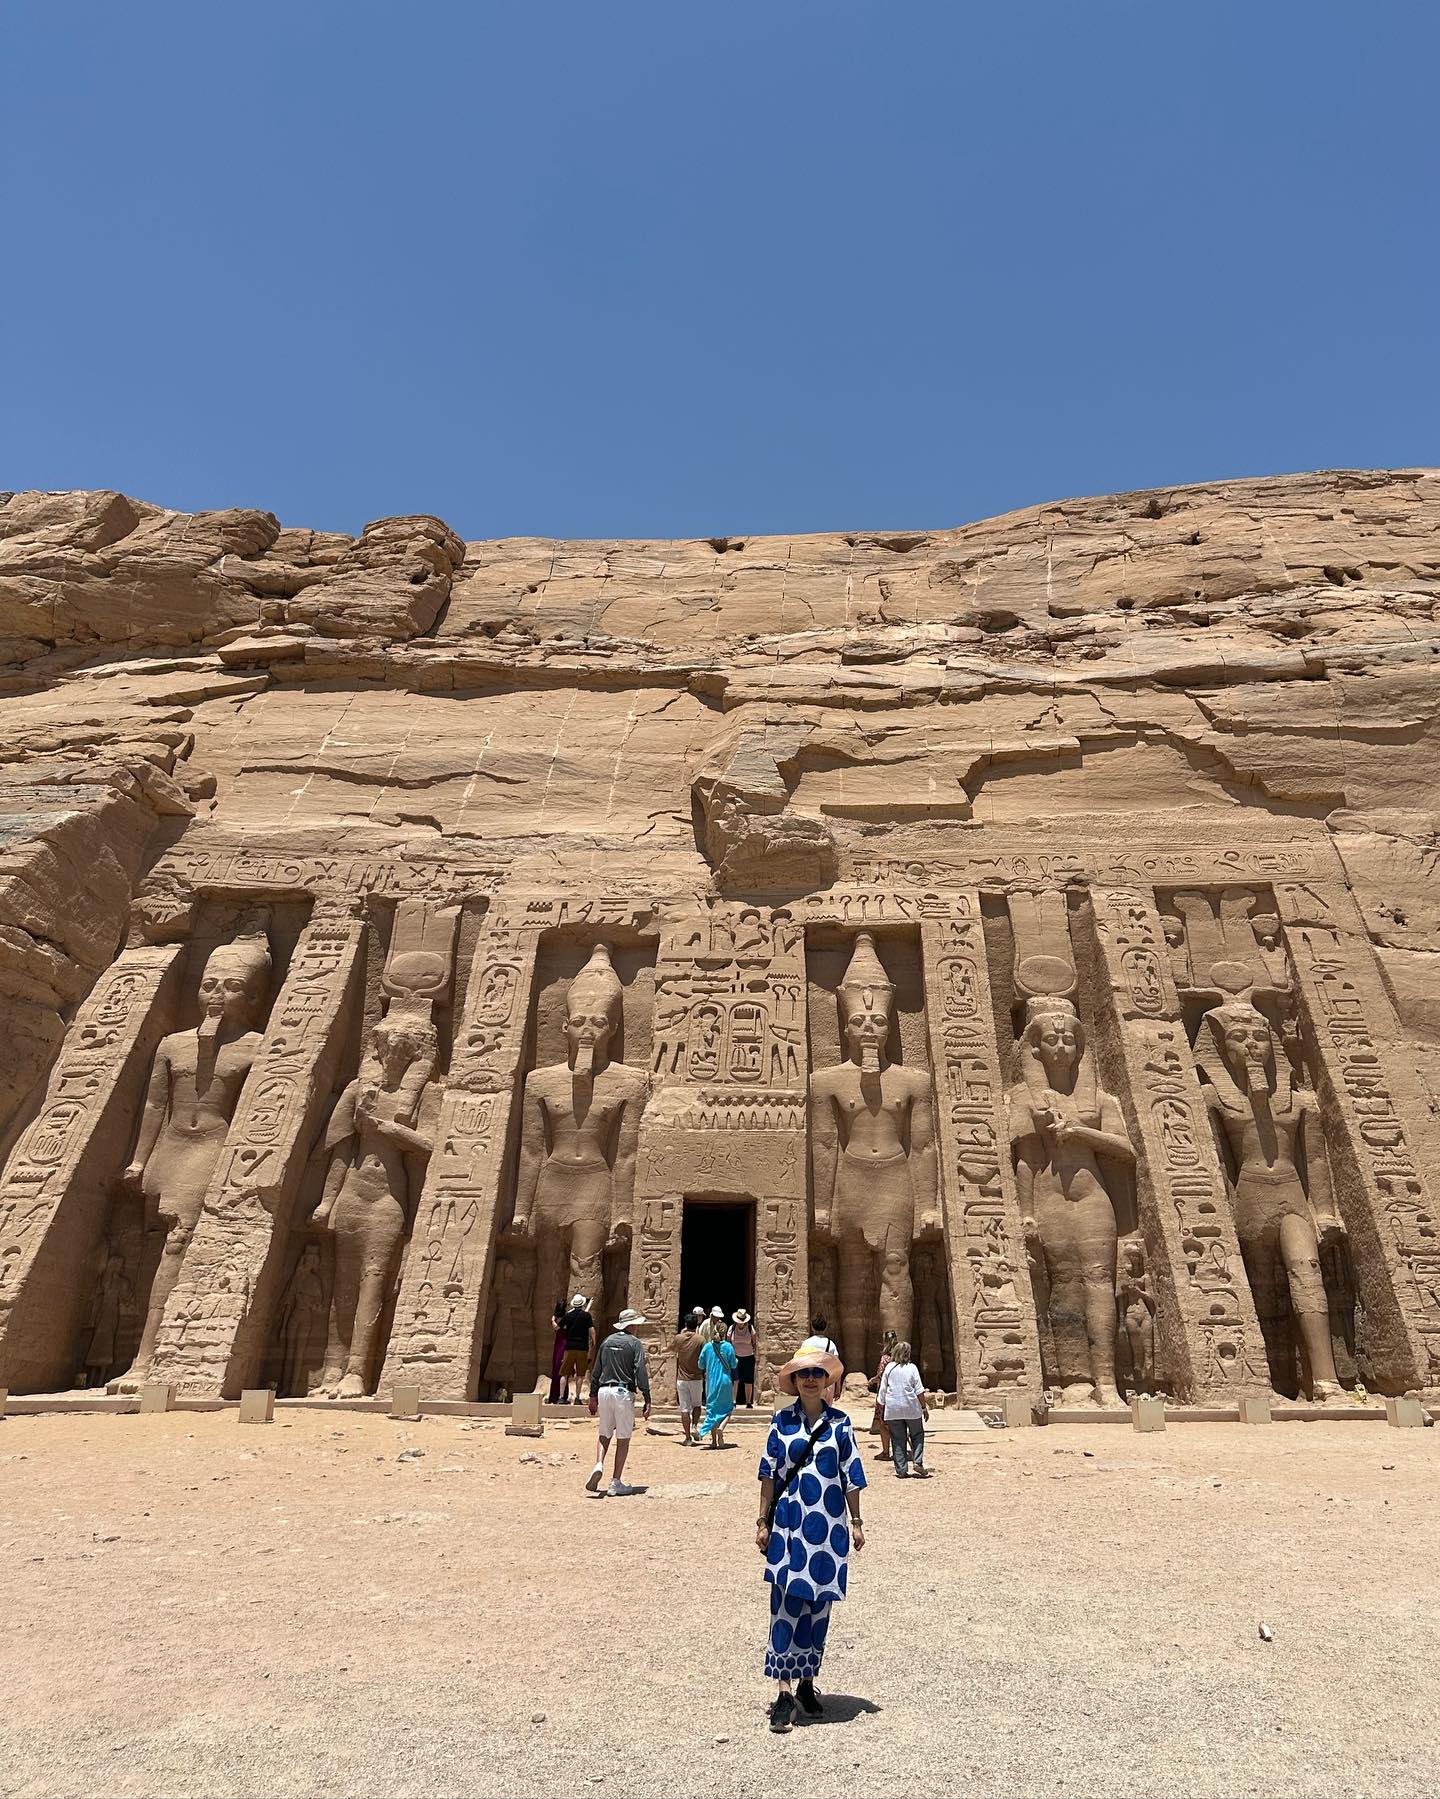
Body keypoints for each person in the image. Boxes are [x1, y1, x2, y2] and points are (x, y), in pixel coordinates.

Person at [756, 1334, 867, 1733]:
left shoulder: (840, 1424)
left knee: (819, 1606)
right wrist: (762, 1521)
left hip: (827, 1529)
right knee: (786, 1604)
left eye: (817, 1373)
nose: (810, 1379)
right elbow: (768, 1473)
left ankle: (806, 1682)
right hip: (789, 1525)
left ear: (826, 1380)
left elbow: (851, 1474)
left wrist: (857, 1521)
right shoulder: (780, 1421)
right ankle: (784, 1692)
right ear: (794, 1380)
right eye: (803, 1374)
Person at [585, 1307, 652, 1496]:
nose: (637, 1328)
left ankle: (599, 1464)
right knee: (623, 1438)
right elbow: (640, 1370)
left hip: (604, 1391)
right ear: (631, 1326)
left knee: (604, 1433)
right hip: (623, 1392)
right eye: (636, 1325)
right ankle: (615, 1481)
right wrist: (647, 1396)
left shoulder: (607, 1342)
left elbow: (597, 1371)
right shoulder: (634, 1343)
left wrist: (592, 1396)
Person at [877, 1339, 929, 1478]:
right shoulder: (912, 1368)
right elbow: (919, 1390)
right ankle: (917, 1461)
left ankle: (901, 1469)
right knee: (917, 1434)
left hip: (893, 1408)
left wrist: (881, 1407)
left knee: (897, 1438)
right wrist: (924, 1408)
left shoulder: (889, 1368)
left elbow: (883, 1390)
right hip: (911, 1407)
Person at [698, 1323, 738, 1448]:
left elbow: (700, 1365)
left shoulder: (707, 1347)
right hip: (725, 1381)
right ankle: (721, 1427)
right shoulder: (728, 1347)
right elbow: (733, 1364)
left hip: (711, 1382)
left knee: (712, 1410)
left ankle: (714, 1441)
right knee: (728, 1410)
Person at [672, 1307, 705, 1445]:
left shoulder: (678, 1338)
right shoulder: (701, 1340)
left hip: (682, 1378)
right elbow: (704, 1357)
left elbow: (671, 1349)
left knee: (684, 1408)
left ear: (686, 1324)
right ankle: (694, 1426)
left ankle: (687, 1437)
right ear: (696, 1324)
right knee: (697, 1405)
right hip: (696, 1377)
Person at [560, 1292, 596, 1406]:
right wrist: (594, 1342)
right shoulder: (586, 1316)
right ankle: (577, 1398)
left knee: (564, 1374)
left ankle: (561, 1397)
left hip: (569, 1347)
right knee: (580, 1374)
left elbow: (558, 1327)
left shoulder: (568, 1316)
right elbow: (592, 1330)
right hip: (582, 1348)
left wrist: (553, 1320)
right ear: (582, 1304)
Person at [868, 1328, 898, 1463]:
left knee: (883, 1424)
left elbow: (881, 1375)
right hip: (899, 1393)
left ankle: (886, 1452)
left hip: (885, 1394)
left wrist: (872, 1380)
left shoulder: (885, 1358)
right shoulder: (900, 1358)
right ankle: (900, 1451)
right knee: (898, 1423)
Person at [809, 1313, 843, 1402]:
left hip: (811, 1381)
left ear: (812, 1327)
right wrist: (838, 1387)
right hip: (827, 1381)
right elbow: (837, 1367)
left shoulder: (807, 1343)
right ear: (825, 1328)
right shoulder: (830, 1344)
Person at [729, 1308, 758, 1407]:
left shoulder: (750, 1328)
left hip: (748, 1357)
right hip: (735, 1357)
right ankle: (733, 1400)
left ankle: (748, 1402)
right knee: (735, 1379)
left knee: (748, 1380)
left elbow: (755, 1343)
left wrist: (757, 1355)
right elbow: (728, 1343)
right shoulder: (732, 1328)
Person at [547, 1300, 567, 1405]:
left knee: (557, 1368)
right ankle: (562, 1395)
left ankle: (555, 1395)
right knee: (561, 1369)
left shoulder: (557, 1319)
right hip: (563, 1344)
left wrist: (552, 1320)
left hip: (559, 1344)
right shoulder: (565, 1318)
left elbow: (556, 1327)